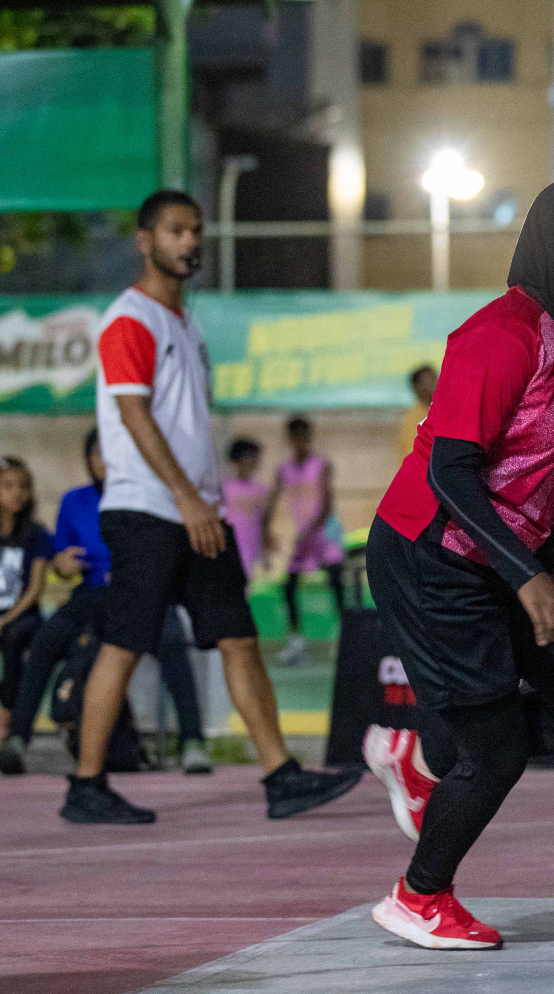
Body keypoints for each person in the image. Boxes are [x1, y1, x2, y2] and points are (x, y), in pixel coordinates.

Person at [361, 178, 554, 950]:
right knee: (496, 755)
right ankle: (417, 897)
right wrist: (526, 577)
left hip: (510, 552)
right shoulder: (500, 335)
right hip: (433, 555)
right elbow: (449, 473)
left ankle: (428, 753)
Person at [62, 189, 361, 825]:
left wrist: (205, 503)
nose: (189, 241)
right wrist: (183, 498)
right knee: (124, 645)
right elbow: (134, 415)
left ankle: (281, 776)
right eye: (175, 230)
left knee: (239, 639)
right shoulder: (129, 320)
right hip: (148, 510)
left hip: (198, 512)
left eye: (195, 230)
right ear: (146, 241)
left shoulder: (186, 325)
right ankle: (85, 785)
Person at [0, 431, 210, 776]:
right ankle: (18, 740)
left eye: (113, 455)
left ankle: (193, 741)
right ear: (89, 460)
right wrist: (63, 567)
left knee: (172, 639)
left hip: (143, 595)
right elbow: (61, 562)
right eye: (99, 455)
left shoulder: (150, 498)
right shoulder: (74, 502)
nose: (106, 463)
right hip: (91, 596)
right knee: (45, 640)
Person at [264, 416, 345, 665]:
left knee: (335, 581)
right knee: (288, 586)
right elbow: (273, 499)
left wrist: (314, 530)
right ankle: (297, 642)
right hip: (303, 537)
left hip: (325, 533)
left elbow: (328, 500)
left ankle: (345, 636)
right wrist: (266, 531)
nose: (301, 442)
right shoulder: (284, 470)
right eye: (296, 437)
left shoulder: (321, 465)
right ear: (290, 440)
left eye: (305, 436)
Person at [0, 458, 50, 747]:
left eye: (22, 486)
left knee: (14, 636)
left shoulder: (36, 535)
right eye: (7, 486)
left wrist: (6, 618)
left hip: (22, 617)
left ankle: (8, 722)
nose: (16, 493)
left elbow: (35, 588)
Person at [222, 438, 268, 578]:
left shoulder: (260, 490)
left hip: (250, 548)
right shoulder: (224, 488)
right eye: (249, 456)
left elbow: (263, 521)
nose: (253, 461)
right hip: (228, 548)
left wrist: (265, 551)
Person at [399, 365, 438, 463]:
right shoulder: (414, 420)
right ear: (417, 387)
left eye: (435, 378)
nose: (436, 383)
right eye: (430, 380)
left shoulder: (437, 412)